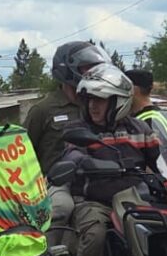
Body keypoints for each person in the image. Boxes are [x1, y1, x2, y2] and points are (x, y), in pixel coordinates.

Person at [59, 64, 162, 256]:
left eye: (101, 99)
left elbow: (164, 158)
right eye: (90, 99)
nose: (93, 105)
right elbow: (72, 154)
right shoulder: (79, 130)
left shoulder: (141, 129)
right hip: (95, 201)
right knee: (95, 234)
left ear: (119, 101)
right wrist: (86, 162)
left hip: (134, 199)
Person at [25, 41, 111, 235]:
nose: (93, 72)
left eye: (95, 67)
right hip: (56, 182)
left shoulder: (99, 104)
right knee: (62, 208)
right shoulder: (43, 109)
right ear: (67, 70)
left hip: (94, 178)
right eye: (86, 68)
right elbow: (23, 153)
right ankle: (48, 251)